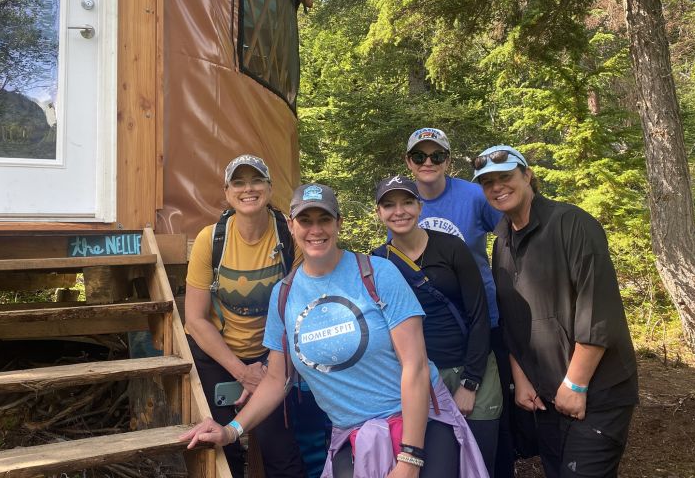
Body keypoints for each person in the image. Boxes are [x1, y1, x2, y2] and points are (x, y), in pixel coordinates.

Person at [184, 183, 488, 478]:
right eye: (305, 220)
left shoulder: (377, 274)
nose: (315, 230)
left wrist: (410, 456)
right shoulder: (285, 295)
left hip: (419, 421)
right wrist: (230, 431)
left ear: (338, 223)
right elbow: (277, 379)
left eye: (324, 219)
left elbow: (416, 365)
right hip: (354, 430)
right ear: (291, 225)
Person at [473, 145, 638, 478]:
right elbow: (510, 319)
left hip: (596, 392)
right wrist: (521, 380)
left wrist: (575, 385)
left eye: (505, 177)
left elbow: (598, 311)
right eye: (488, 182)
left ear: (528, 176)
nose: (497, 187)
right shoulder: (501, 241)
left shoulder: (571, 224)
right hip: (545, 397)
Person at [184, 154, 305, 478]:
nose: (248, 189)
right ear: (227, 192)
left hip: (273, 352)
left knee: (277, 444)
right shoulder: (211, 240)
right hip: (219, 352)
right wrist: (243, 373)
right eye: (239, 182)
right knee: (223, 446)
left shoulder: (290, 239)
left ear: (269, 187)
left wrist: (266, 369)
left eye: (256, 181)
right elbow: (195, 319)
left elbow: (297, 313)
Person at [372, 175, 502, 476]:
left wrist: (471, 382)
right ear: (379, 213)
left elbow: (479, 313)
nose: (399, 211)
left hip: (476, 368)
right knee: (439, 465)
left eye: (407, 202)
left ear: (420, 206)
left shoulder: (450, 247)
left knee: (482, 463)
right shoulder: (378, 262)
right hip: (423, 380)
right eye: (389, 205)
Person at [404, 127, 514, 476]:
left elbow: (512, 237)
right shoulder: (403, 204)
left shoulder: (473, 196)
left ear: (448, 160)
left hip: (485, 319)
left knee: (494, 416)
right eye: (420, 156)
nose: (428, 162)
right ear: (409, 162)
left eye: (437, 155)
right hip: (433, 328)